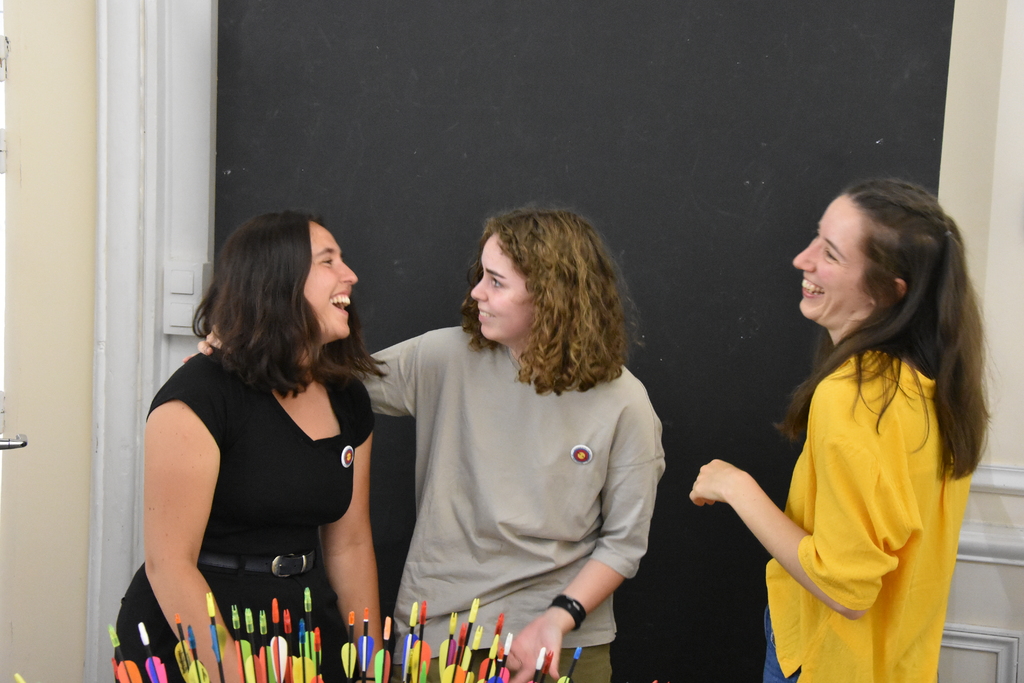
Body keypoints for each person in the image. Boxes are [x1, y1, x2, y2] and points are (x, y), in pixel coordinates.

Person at [689, 179, 988, 682]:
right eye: (816, 238)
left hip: (828, 662)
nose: (801, 260)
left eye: (830, 254)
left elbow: (845, 589)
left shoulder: (855, 397)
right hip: (898, 665)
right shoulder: (937, 385)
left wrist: (737, 488)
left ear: (888, 290)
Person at [367, 208, 665, 683]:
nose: (476, 293)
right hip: (441, 639)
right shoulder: (442, 358)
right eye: (481, 276)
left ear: (551, 298)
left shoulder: (626, 403)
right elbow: (325, 383)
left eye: (496, 282)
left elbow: (623, 544)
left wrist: (559, 618)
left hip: (564, 643)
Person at [117, 211, 382, 682]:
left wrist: (369, 665)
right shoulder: (198, 397)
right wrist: (231, 670)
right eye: (328, 261)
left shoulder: (348, 398)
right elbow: (169, 564)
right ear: (278, 280)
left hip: (304, 628)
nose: (350, 275)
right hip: (200, 636)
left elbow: (351, 545)